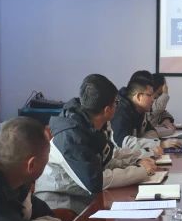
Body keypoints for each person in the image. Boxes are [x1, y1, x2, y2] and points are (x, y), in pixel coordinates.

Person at [36, 74, 157, 210]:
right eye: (116, 102)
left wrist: (136, 162)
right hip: (60, 205)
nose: (118, 106)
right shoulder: (70, 136)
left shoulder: (92, 124)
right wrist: (141, 172)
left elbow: (107, 159)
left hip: (83, 196)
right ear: (107, 110)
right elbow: (96, 181)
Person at [111, 72, 180, 154]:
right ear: (138, 96)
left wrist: (151, 144)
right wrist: (158, 144)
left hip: (134, 156)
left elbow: (151, 131)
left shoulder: (140, 109)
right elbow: (123, 142)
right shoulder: (120, 111)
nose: (153, 99)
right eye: (150, 95)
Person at [146, 72, 177, 138]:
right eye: (159, 94)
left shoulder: (157, 100)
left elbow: (162, 112)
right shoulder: (146, 102)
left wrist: (166, 120)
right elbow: (156, 109)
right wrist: (165, 94)